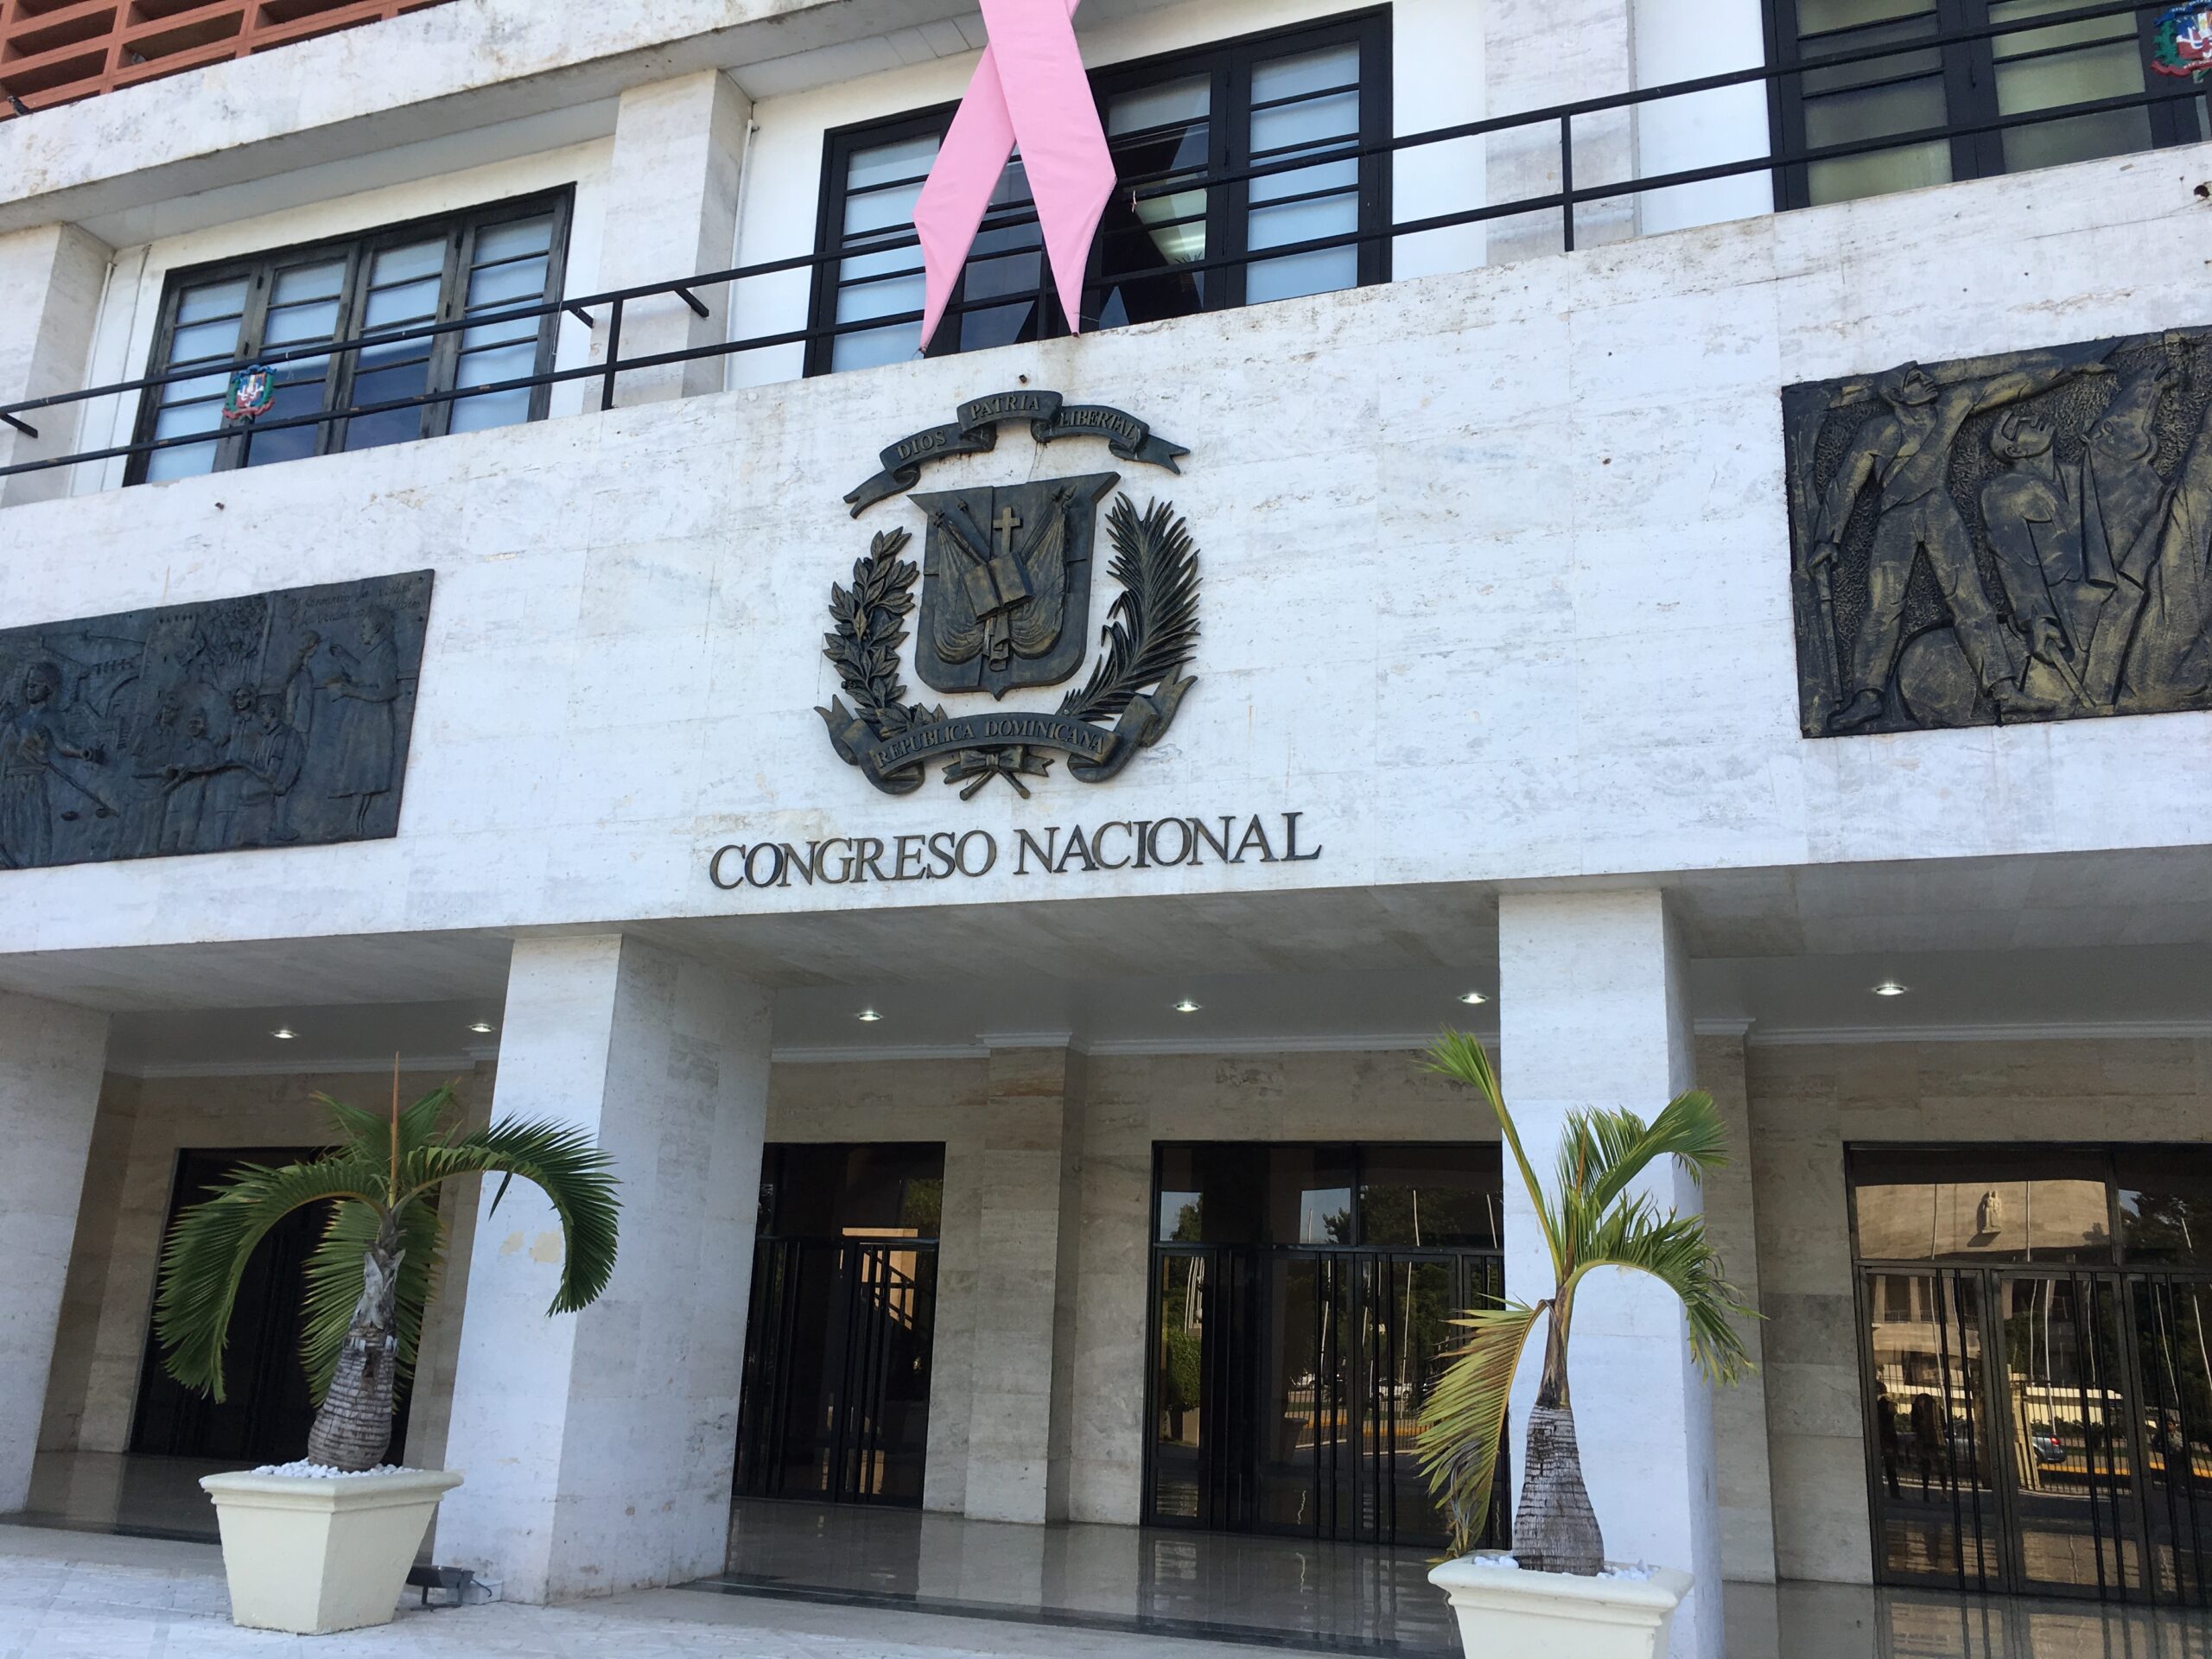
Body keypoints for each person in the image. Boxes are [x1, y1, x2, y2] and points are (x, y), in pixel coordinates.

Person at [1808, 348, 2113, 730]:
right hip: (1895, 520)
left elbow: (2012, 386)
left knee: (1970, 600)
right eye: (1915, 379)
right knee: (1883, 607)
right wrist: (1828, 539)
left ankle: (2004, 691)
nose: (1926, 379)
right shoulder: (1878, 432)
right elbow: (1846, 485)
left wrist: (2070, 368)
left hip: (1939, 511)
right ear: (1897, 396)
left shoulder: (1952, 407)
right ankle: (1868, 698)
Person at [0, 661, 105, 870]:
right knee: (10, 829)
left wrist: (81, 752)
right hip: (9, 783)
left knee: (32, 830)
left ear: (48, 688)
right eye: (28, 684)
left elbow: (62, 744)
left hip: (31, 783)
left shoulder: (49, 717)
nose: (30, 688)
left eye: (36, 684)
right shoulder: (15, 718)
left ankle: (29, 866)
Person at [320, 609, 401, 834]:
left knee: (365, 771)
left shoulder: (386, 651)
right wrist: (343, 656)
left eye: (364, 627)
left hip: (373, 720)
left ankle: (354, 825)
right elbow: (362, 676)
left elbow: (388, 690)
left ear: (376, 628)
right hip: (361, 717)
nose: (360, 631)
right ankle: (351, 824)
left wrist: (351, 691)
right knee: (356, 769)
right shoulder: (374, 652)